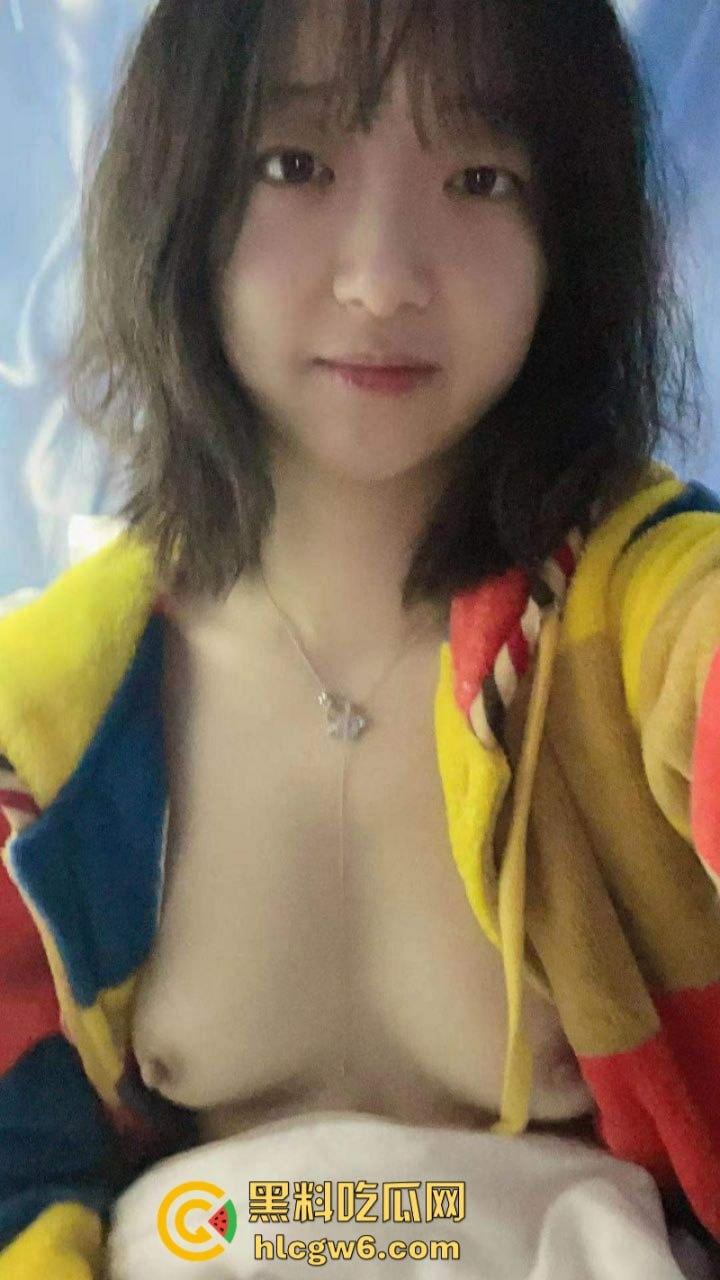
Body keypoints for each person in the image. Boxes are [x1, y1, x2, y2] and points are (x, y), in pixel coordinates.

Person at [1, 0, 719, 1275]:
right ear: (177, 190)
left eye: (482, 178)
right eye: (295, 164)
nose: (383, 277)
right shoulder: (43, 728)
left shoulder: (644, 620)